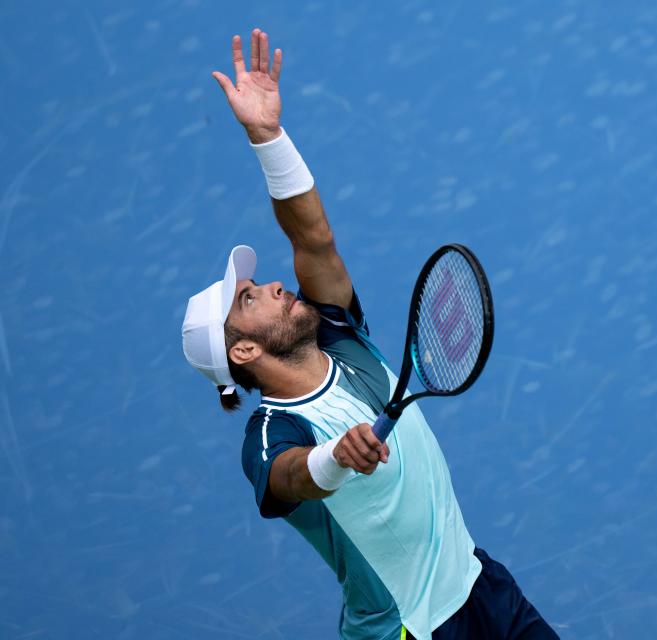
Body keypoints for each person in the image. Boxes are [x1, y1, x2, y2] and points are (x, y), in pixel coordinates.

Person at [181, 29, 559, 640]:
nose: (275, 286)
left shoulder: (340, 336)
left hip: (481, 586)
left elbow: (313, 239)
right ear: (243, 351)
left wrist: (267, 136)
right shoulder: (272, 433)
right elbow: (293, 477)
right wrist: (339, 454)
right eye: (250, 299)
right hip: (408, 630)